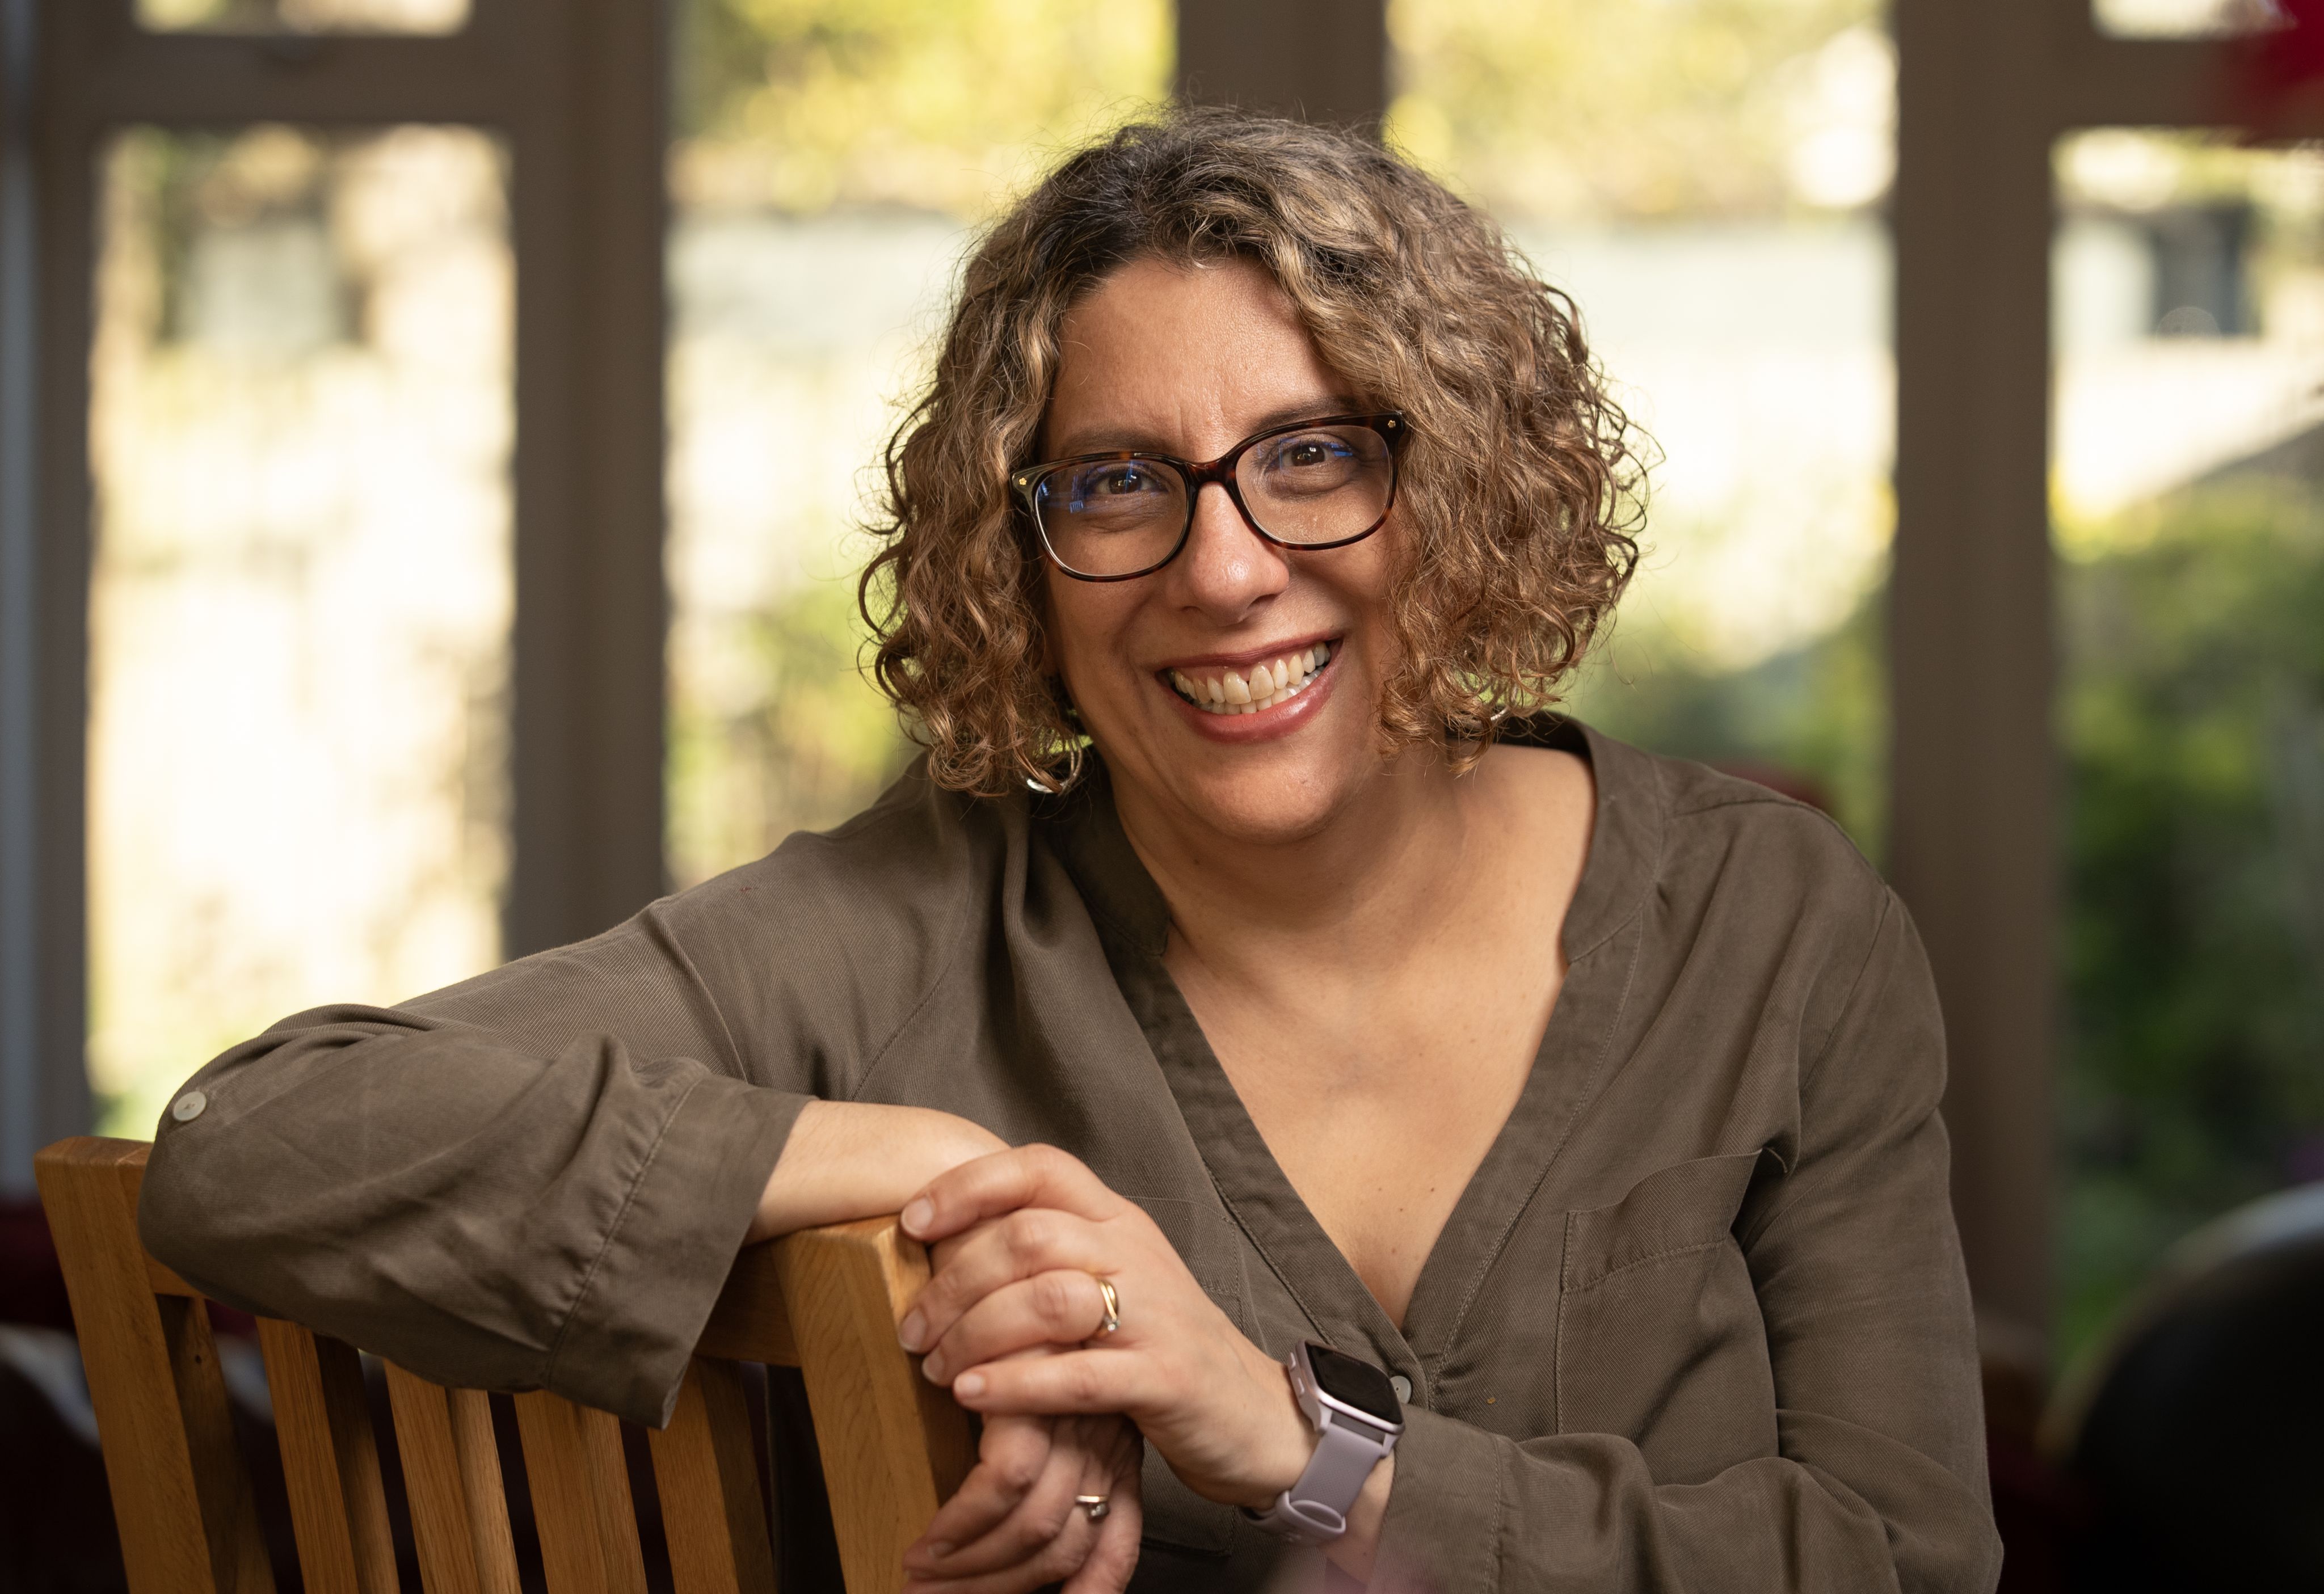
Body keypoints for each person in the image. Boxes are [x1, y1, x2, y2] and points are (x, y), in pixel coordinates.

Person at [140, 109, 2002, 1593]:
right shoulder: (899, 931)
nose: (1223, 568)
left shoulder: (1772, 926)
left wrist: (1302, 1443)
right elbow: (249, 1141)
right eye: (1116, 482)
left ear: (1456, 484)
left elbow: (1907, 1561)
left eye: (1314, 454)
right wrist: (926, 1165)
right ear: (1015, 560)